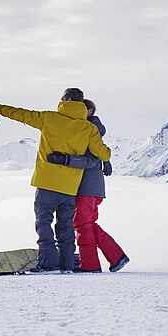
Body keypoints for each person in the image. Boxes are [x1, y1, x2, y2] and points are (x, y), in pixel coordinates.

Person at [0, 89, 111, 272]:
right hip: (70, 188)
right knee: (66, 228)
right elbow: (104, 153)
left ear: (67, 99)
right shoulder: (89, 128)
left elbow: (22, 114)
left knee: (44, 223)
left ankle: (48, 264)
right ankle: (67, 265)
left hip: (46, 184)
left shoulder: (49, 118)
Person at [48, 99, 130, 272]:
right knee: (87, 224)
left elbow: (90, 161)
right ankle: (110, 258)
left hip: (88, 186)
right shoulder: (88, 129)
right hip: (89, 187)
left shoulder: (88, 130)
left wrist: (66, 159)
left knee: (82, 224)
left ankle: (95, 264)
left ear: (90, 111)